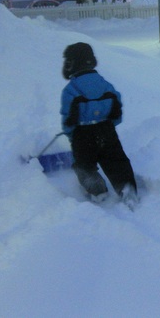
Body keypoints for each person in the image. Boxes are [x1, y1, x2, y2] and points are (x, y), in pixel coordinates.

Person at [60, 42, 138, 208]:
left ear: (72, 64)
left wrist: (72, 136)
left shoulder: (70, 90)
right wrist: (108, 125)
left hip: (82, 134)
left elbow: (67, 120)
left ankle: (96, 188)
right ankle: (127, 189)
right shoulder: (105, 84)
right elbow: (117, 110)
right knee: (116, 161)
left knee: (84, 164)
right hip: (107, 131)